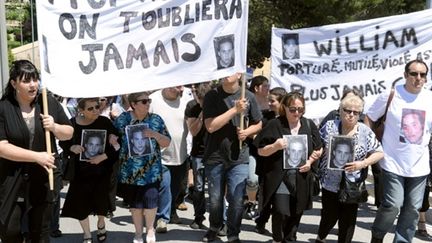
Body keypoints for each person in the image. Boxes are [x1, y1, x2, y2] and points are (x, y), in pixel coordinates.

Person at [0, 60, 73, 242]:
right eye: (26, 80)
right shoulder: (3, 108)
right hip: (11, 178)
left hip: (43, 177)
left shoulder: (48, 102)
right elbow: (2, 147)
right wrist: (36, 157)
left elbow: (69, 133)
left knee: (40, 231)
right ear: (14, 83)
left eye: (35, 79)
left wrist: (54, 127)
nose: (33, 85)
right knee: (10, 230)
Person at [367, 59, 432, 242]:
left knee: (412, 209)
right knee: (393, 205)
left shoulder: (430, 99)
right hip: (391, 162)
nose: (418, 78)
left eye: (422, 74)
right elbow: (369, 119)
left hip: (419, 166)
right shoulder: (391, 95)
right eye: (414, 74)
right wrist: (372, 146)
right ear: (405, 75)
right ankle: (378, 235)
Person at [253, 91, 322, 243]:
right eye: (293, 109)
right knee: (280, 211)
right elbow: (260, 150)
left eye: (300, 109)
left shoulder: (308, 124)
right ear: (284, 107)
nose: (297, 113)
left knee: (296, 212)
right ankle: (278, 239)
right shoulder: (275, 124)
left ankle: (290, 239)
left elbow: (319, 147)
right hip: (280, 178)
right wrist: (275, 146)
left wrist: (310, 161)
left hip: (302, 177)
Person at [201, 73, 262, 243]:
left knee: (236, 198)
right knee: (215, 200)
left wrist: (248, 132)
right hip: (215, 156)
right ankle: (214, 227)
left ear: (239, 74)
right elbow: (211, 126)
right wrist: (235, 110)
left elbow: (258, 123)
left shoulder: (248, 96)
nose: (227, 74)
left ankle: (233, 233)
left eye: (232, 70)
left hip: (239, 156)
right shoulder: (212, 95)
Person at [316, 92, 383, 243]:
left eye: (356, 112)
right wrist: (321, 152)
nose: (351, 115)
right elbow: (317, 145)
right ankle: (321, 237)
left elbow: (379, 152)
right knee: (329, 217)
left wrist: (363, 163)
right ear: (340, 110)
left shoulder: (365, 132)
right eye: (347, 110)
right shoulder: (330, 126)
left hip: (353, 183)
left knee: (348, 222)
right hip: (330, 182)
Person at [60, 98, 120, 243]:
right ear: (81, 110)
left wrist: (105, 154)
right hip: (80, 172)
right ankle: (86, 233)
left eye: (97, 107)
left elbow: (118, 145)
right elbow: (63, 141)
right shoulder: (72, 123)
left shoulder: (105, 122)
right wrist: (71, 148)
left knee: (101, 202)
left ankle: (101, 223)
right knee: (80, 204)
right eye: (90, 108)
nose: (95, 111)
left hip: (102, 170)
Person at [114, 92, 171, 243]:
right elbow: (112, 139)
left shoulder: (155, 119)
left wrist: (155, 135)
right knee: (136, 205)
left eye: (149, 101)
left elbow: (167, 142)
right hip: (130, 171)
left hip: (151, 170)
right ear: (133, 104)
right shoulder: (123, 120)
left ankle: (150, 229)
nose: (148, 104)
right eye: (144, 101)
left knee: (151, 202)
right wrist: (111, 139)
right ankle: (138, 233)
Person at [150, 86, 191, 232]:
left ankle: (171, 211)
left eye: (181, 86)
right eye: (176, 85)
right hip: (159, 155)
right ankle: (162, 218)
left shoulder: (187, 99)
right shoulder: (153, 100)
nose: (179, 89)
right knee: (164, 186)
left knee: (176, 187)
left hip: (180, 154)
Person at [254, 86, 287, 234]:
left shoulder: (289, 120)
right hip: (266, 162)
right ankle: (261, 220)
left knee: (280, 198)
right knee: (266, 194)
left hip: (283, 165)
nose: (269, 103)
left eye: (273, 101)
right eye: (269, 100)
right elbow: (257, 133)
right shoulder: (266, 117)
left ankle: (278, 227)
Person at [184, 82, 213, 230]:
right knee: (199, 188)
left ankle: (217, 221)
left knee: (215, 189)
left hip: (215, 153)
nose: (201, 102)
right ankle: (198, 216)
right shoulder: (192, 107)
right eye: (199, 99)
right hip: (199, 153)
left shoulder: (217, 105)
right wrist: (201, 115)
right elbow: (193, 131)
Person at [245, 76, 273, 221]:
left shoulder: (271, 105)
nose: (268, 88)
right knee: (252, 180)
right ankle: (250, 202)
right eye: (265, 86)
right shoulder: (248, 104)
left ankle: (260, 208)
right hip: (252, 148)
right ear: (256, 88)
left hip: (269, 149)